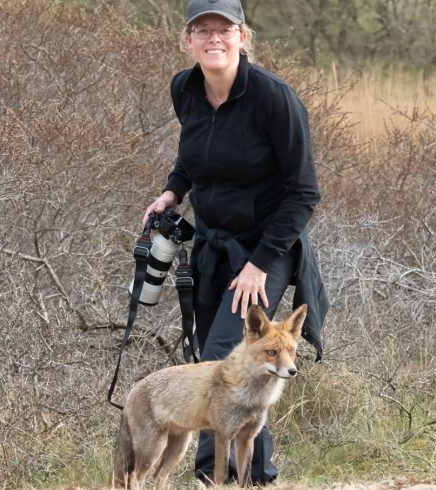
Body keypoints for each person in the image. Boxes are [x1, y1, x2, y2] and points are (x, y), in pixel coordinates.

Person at [143, 0, 328, 485]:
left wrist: (260, 264)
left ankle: (213, 477)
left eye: (223, 30)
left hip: (270, 247)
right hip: (214, 246)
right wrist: (171, 194)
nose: (213, 39)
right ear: (188, 40)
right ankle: (255, 476)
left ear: (243, 36)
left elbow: (305, 191)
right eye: (202, 31)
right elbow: (194, 155)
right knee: (212, 355)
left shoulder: (273, 98)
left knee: (231, 351)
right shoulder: (185, 89)